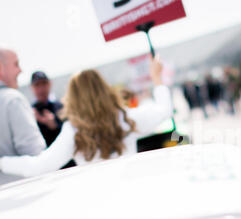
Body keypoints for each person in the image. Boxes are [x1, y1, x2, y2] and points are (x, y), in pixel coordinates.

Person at [0, 55, 173, 177]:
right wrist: (156, 77)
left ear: (73, 96)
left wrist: (2, 162)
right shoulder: (125, 119)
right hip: (130, 186)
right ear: (104, 88)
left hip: (97, 201)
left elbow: (38, 167)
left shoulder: (74, 132)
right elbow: (164, 110)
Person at [0, 46, 46, 184]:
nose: (20, 70)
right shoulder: (12, 100)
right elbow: (35, 157)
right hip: (22, 192)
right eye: (16, 64)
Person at [30, 71, 64, 146]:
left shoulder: (60, 106)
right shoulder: (28, 112)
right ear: (32, 87)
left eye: (44, 83)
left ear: (50, 84)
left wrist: (55, 125)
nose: (41, 88)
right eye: (37, 85)